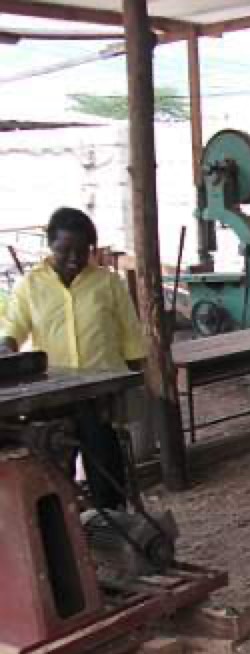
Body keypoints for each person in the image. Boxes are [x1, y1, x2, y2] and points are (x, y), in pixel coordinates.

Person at [0, 207, 145, 511]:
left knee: (105, 468)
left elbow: (131, 334)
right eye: (65, 250)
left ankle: (113, 525)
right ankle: (68, 534)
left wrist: (131, 387)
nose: (74, 258)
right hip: (55, 396)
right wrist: (6, 347)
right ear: (51, 245)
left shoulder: (108, 282)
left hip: (100, 393)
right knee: (55, 470)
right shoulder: (31, 285)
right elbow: (14, 327)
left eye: (83, 250)